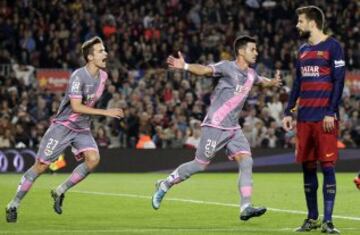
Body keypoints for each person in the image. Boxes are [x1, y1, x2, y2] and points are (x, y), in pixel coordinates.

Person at [152, 35, 281, 221]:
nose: (256, 52)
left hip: (233, 129)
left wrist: (273, 82)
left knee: (246, 161)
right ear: (241, 51)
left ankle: (245, 206)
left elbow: (262, 81)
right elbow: (205, 70)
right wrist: (186, 66)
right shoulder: (228, 67)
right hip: (215, 125)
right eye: (252, 49)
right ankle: (164, 185)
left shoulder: (251, 74)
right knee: (199, 165)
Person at [5, 36, 124, 222]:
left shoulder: (103, 77)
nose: (106, 53)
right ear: (90, 57)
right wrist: (106, 112)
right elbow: (76, 107)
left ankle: (60, 190)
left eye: (105, 50)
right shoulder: (78, 76)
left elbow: (87, 104)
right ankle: (13, 204)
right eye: (101, 51)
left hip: (82, 128)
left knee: (93, 160)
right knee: (41, 166)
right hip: (63, 126)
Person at [282, 6, 345, 234]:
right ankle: (312, 218)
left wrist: (331, 111)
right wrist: (288, 110)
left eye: (300, 21)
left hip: (324, 118)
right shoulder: (302, 50)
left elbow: (339, 82)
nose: (297, 25)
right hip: (304, 119)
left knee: (327, 166)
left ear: (312, 23)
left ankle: (328, 221)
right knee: (307, 167)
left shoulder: (333, 46)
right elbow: (297, 83)